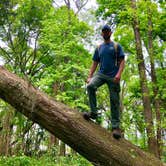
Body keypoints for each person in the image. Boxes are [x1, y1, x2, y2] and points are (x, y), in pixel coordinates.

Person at [83, 24, 125, 139]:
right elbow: (94, 63)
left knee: (114, 100)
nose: (105, 33)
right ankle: (93, 113)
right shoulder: (99, 48)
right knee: (90, 86)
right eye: (104, 32)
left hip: (113, 76)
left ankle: (116, 127)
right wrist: (90, 76)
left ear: (110, 33)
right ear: (102, 34)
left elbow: (122, 62)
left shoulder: (116, 46)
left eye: (107, 31)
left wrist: (119, 74)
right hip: (101, 74)